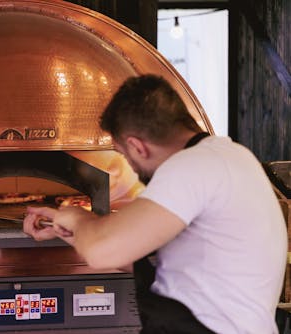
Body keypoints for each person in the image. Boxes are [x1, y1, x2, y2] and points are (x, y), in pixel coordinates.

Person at [23, 74, 287, 333]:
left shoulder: (192, 166)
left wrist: (77, 217)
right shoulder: (227, 157)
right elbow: (156, 258)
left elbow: (101, 253)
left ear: (137, 147)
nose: (131, 164)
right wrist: (70, 230)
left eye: (124, 154)